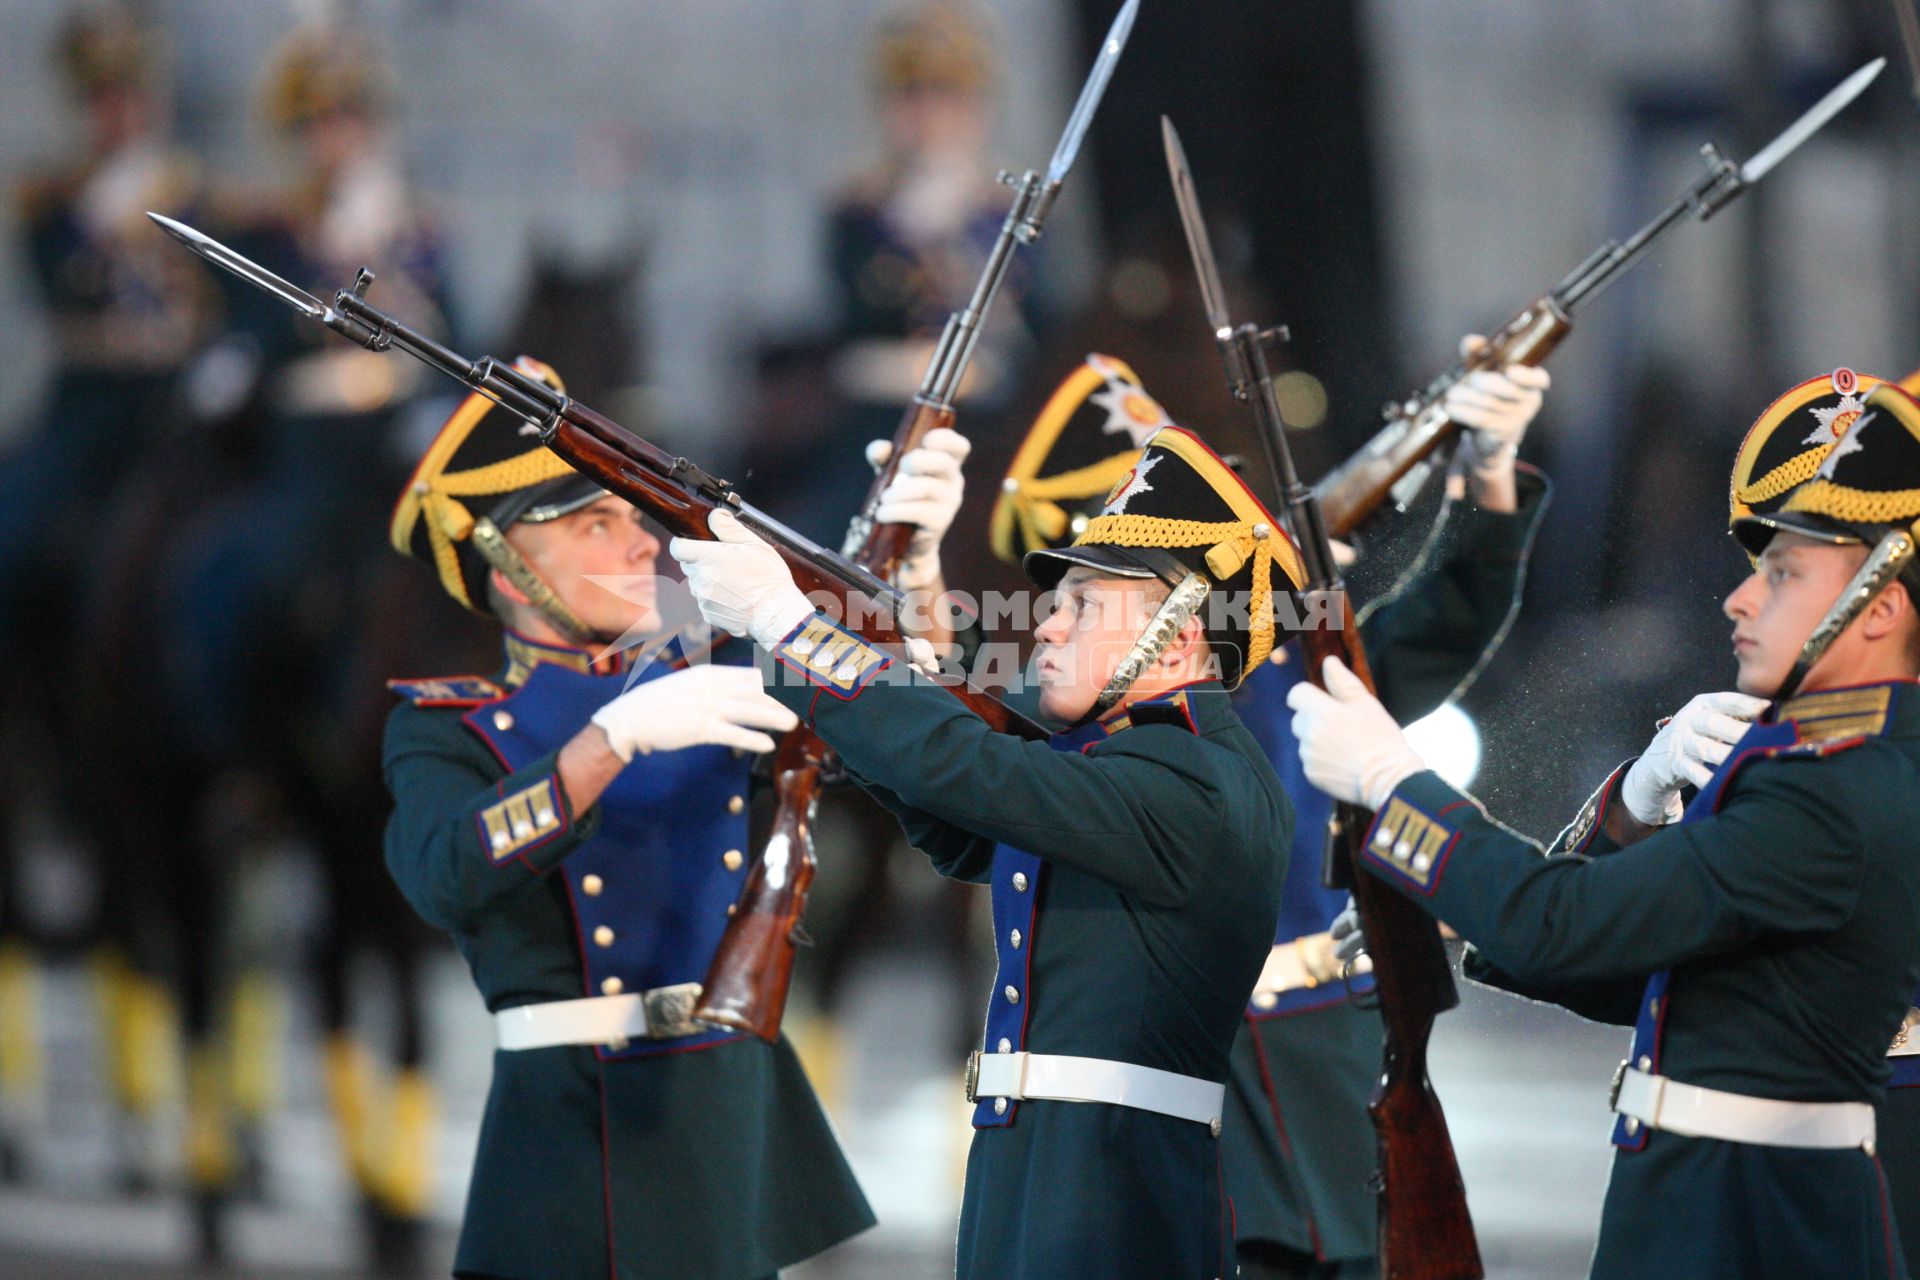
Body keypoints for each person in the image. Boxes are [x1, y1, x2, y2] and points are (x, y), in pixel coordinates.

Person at [1288, 377, 1920, 1279]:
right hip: (1708, 1204)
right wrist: (1489, 889)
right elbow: (1628, 962)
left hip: (1756, 1215)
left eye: (1783, 573)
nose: (1739, 600)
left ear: (1883, 604)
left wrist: (1394, 787)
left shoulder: (1835, 788)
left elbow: (1568, 929)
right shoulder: (1812, 767)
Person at [673, 423, 1304, 1278]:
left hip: (1115, 1191)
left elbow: (968, 766)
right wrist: (908, 593)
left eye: (1083, 606)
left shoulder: (1195, 783)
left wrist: (790, 628)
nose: (1045, 628)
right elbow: (952, 796)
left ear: (1182, 637)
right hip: (1040, 1169)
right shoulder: (1120, 766)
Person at [990, 348, 1551, 1279]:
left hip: (1322, 1030)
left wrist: (1483, 471)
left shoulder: (1300, 658)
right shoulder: (1076, 702)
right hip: (1185, 1046)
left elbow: (1450, 617)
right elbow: (982, 728)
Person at [380, 360, 881, 1279]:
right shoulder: (447, 728)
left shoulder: (715, 676)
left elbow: (911, 727)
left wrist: (909, 575)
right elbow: (442, 873)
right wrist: (605, 743)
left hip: (718, 1122)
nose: (641, 545)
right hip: (567, 1137)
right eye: (593, 524)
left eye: (633, 518)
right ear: (508, 564)